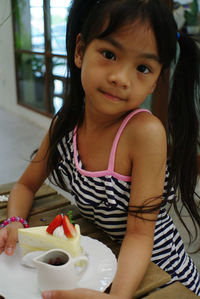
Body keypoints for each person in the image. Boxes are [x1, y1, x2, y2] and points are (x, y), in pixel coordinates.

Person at [0, 0, 200, 298]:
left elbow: (139, 234)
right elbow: (26, 185)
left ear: (156, 80)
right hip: (101, 263)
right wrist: (15, 222)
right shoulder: (65, 125)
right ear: (80, 51)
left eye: (143, 68)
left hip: (161, 277)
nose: (120, 77)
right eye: (109, 54)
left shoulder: (144, 133)